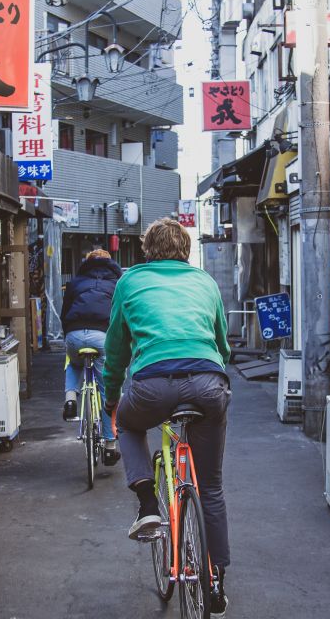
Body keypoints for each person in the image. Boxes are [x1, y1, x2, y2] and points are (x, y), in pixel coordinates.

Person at [103, 218, 232, 616]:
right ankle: (216, 584)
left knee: (127, 423)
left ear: (147, 250)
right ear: (187, 250)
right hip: (208, 383)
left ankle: (147, 506)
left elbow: (117, 349)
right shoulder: (205, 282)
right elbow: (222, 344)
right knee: (210, 486)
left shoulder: (128, 282)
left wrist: (111, 398)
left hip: (152, 385)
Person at [60, 249, 123, 466]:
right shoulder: (117, 284)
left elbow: (65, 312)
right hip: (102, 336)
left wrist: (67, 335)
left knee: (73, 362)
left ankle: (70, 399)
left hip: (75, 334)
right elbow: (120, 316)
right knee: (108, 391)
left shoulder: (76, 282)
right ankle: (109, 446)